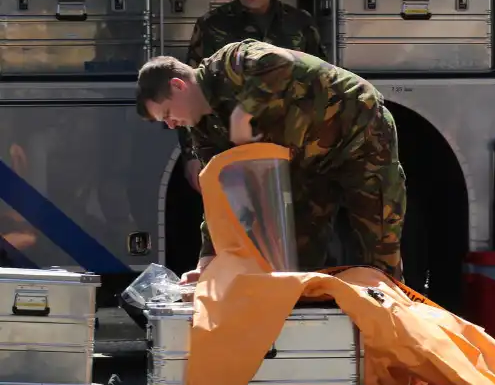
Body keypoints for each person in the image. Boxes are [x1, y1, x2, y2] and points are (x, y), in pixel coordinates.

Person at [136, 40, 407, 283]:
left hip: (359, 139)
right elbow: (219, 195)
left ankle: (397, 334)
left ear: (178, 85)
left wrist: (243, 113)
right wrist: (207, 260)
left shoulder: (231, 63)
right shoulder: (204, 130)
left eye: (168, 113)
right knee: (293, 263)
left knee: (380, 254)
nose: (171, 125)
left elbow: (280, 63)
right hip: (305, 167)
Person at [176, 0, 327, 194]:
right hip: (231, 155)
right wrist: (191, 156)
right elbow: (191, 93)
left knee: (295, 230)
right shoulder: (211, 27)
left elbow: (322, 86)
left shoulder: (300, 24)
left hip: (292, 153)